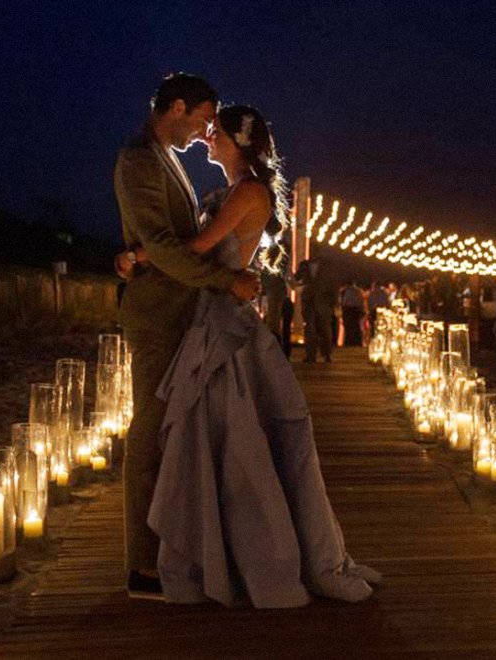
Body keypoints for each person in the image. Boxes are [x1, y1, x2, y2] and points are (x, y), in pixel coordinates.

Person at [118, 105, 379, 607]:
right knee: (218, 439)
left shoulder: (249, 193)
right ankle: (223, 547)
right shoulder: (238, 191)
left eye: (215, 134)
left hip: (224, 328)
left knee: (235, 439)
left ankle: (245, 554)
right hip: (210, 318)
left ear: (238, 142)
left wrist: (138, 256)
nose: (206, 140)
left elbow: (196, 249)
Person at [114, 73, 259, 599]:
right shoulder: (138, 159)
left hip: (182, 315)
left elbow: (168, 244)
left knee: (176, 438)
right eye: (202, 118)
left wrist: (136, 256)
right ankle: (141, 567)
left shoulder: (166, 158)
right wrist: (228, 281)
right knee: (148, 434)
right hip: (157, 318)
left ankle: (177, 549)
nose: (204, 132)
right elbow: (167, 246)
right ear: (177, 106)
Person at [295, 254, 337, 362]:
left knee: (325, 329)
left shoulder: (327, 266)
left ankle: (326, 354)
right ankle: (310, 355)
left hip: (323, 302)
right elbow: (296, 278)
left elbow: (332, 284)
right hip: (309, 302)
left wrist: (333, 301)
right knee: (309, 329)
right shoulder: (304, 265)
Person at [341, 279, 364, 346]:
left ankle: (349, 342)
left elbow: (345, 302)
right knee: (356, 327)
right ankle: (357, 342)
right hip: (356, 310)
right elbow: (361, 301)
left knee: (349, 328)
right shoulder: (358, 291)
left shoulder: (347, 291)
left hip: (348, 310)